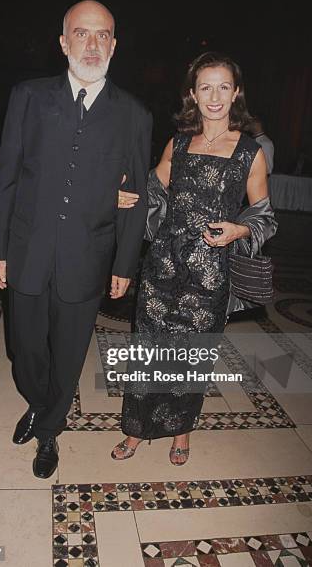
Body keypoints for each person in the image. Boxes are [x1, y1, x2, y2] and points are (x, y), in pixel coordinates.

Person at [0, 0, 152, 478]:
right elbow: (7, 176)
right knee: (24, 348)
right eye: (82, 34)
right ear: (63, 43)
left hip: (88, 256)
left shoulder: (134, 116)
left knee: (70, 351)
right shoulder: (30, 97)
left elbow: (135, 196)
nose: (92, 44)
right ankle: (38, 401)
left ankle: (49, 430)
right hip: (27, 249)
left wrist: (124, 263)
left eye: (102, 36)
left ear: (115, 45)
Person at [111, 52, 277, 465]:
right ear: (193, 94)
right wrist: (123, 193)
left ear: (236, 92)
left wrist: (239, 229)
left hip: (210, 274)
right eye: (206, 87)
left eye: (223, 86)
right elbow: (152, 193)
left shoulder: (251, 153)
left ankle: (181, 433)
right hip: (162, 266)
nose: (214, 96)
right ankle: (135, 429)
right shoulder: (178, 143)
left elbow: (265, 217)